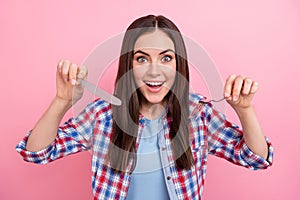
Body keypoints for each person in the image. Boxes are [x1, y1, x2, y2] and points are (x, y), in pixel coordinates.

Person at [16, 15, 273, 200]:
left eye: (166, 58)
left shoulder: (199, 115)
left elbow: (256, 158)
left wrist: (245, 110)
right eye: (142, 58)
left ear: (178, 64)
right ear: (129, 64)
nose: (154, 70)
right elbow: (37, 153)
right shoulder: (102, 116)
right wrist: (62, 101)